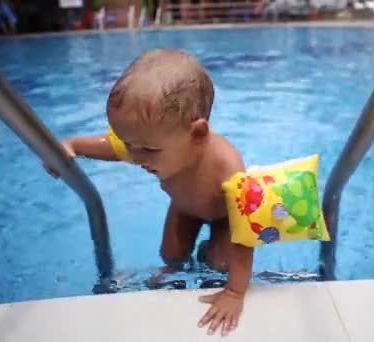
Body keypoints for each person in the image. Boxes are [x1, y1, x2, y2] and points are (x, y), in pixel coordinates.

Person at [45, 49, 252, 337]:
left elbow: (246, 233)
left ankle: (211, 253)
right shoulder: (150, 143)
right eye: (130, 144)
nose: (136, 157)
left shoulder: (227, 168)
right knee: (170, 256)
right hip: (184, 207)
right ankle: (179, 269)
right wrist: (73, 145)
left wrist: (234, 293)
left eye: (147, 150)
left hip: (226, 217)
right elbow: (113, 147)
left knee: (219, 264)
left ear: (198, 135)